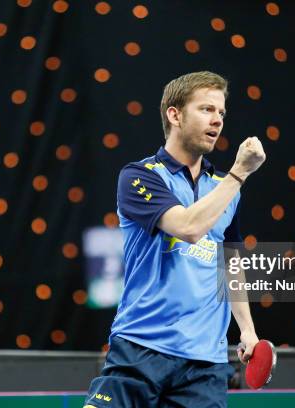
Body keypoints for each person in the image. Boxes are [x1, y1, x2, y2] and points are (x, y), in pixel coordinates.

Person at [83, 71, 267, 407]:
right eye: (206, 109)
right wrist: (240, 174)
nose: (218, 120)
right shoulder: (139, 176)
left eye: (222, 113)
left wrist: (247, 330)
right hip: (141, 348)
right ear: (175, 114)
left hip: (205, 364)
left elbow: (231, 262)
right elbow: (188, 227)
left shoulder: (224, 188)